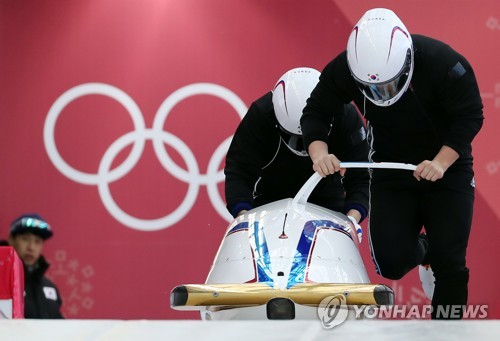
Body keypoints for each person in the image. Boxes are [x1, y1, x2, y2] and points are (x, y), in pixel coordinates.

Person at [300, 8, 483, 319]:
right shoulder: (344, 68)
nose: (381, 94)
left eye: (389, 84)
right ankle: (425, 250)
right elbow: (315, 111)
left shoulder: (443, 63)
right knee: (390, 263)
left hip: (446, 169)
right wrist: (319, 154)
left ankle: (447, 335)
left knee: (450, 263)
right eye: (372, 89)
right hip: (390, 167)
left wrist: (440, 162)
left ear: (408, 64)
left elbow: (471, 116)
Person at [224, 67, 370, 234]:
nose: (304, 148)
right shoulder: (261, 115)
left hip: (328, 207)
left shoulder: (344, 116)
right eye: (294, 139)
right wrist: (245, 219)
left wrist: (351, 220)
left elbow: (362, 176)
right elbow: (238, 171)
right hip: (269, 206)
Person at [1, 213, 64, 319]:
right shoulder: (2, 282)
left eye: (37, 242)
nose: (31, 247)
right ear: (11, 240)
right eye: (25, 239)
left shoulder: (50, 287)